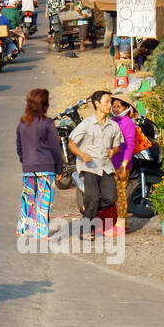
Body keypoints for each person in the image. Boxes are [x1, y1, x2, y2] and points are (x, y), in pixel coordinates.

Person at [67, 90, 124, 235]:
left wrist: (113, 151)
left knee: (111, 198)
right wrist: (82, 154)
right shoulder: (86, 124)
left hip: (106, 166)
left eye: (111, 102)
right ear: (97, 104)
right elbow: (71, 144)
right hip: (89, 166)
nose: (110, 105)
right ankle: (86, 229)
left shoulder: (113, 126)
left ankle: (88, 209)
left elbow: (117, 145)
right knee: (92, 196)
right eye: (107, 102)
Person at [17, 88, 63, 238]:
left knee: (28, 198)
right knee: (44, 200)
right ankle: (40, 231)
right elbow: (55, 148)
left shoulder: (22, 123)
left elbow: (19, 147)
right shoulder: (48, 123)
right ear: (45, 104)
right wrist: (59, 168)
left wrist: (25, 162)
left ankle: (25, 229)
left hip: (28, 168)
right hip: (46, 168)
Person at [109, 95, 137, 233]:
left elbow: (130, 146)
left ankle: (121, 226)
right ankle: (115, 223)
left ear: (127, 108)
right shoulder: (113, 120)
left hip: (121, 165)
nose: (115, 108)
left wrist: (123, 166)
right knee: (114, 195)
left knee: (120, 196)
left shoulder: (128, 123)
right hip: (112, 164)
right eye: (113, 105)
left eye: (118, 106)